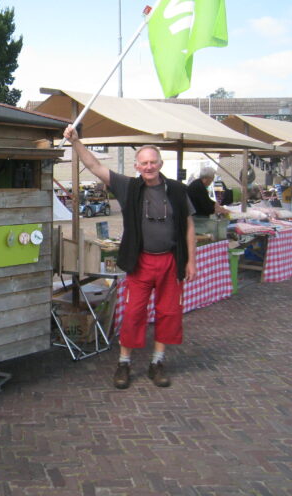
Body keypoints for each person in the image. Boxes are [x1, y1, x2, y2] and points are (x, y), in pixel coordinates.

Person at [64, 125, 197, 389]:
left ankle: (157, 362)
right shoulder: (128, 187)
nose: (148, 167)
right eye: (144, 163)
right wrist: (76, 142)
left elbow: (189, 226)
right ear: (137, 166)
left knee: (168, 313)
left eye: (153, 162)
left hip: (170, 261)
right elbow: (93, 165)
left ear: (160, 163)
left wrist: (191, 261)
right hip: (141, 262)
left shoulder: (178, 191)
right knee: (134, 313)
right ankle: (124, 364)